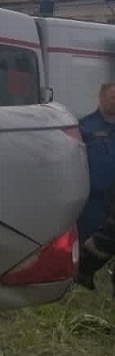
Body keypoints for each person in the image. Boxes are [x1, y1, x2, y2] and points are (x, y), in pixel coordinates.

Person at [75, 82, 115, 290]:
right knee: (88, 243)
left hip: (113, 200)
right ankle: (81, 281)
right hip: (93, 201)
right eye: (112, 95)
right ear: (101, 96)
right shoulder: (85, 127)